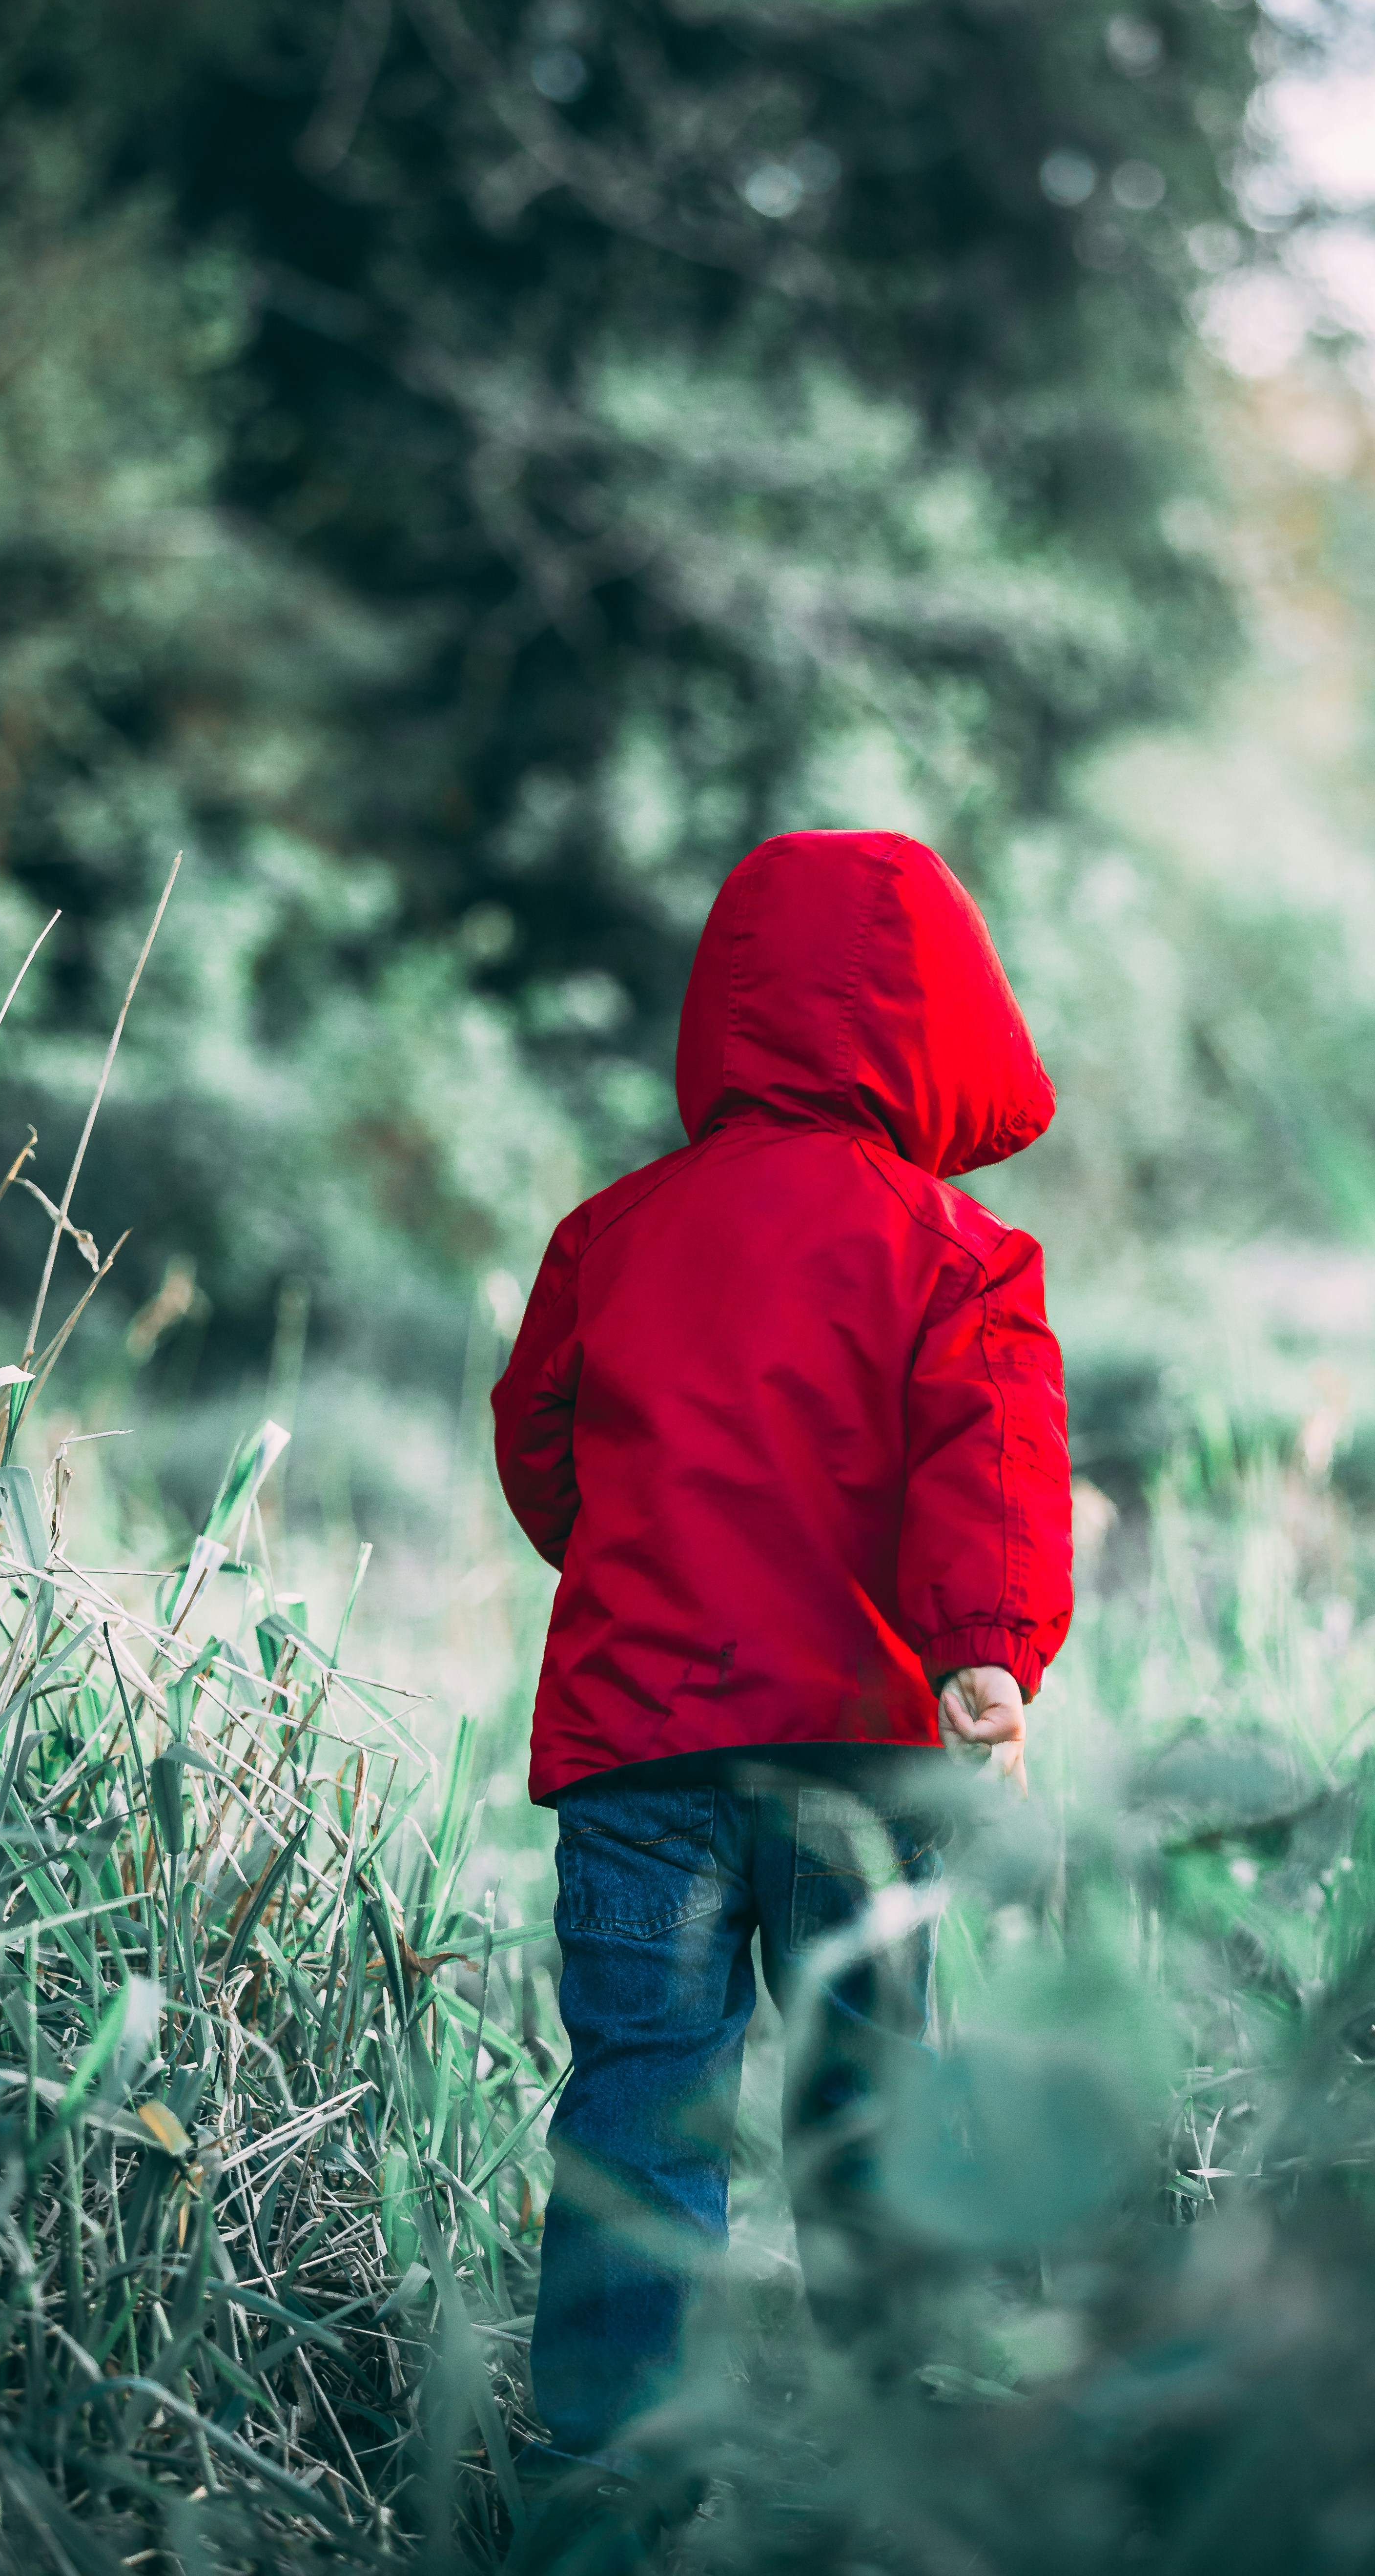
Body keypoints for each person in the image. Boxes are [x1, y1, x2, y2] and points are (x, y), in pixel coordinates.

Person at [491, 828, 1073, 2468]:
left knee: (642, 2103)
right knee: (870, 2090)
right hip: (862, 1751)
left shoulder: (612, 1234)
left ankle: (608, 2466)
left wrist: (631, 1564)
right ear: (946, 1024)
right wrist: (983, 1656)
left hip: (641, 1750)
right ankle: (907, 2439)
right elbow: (994, 1466)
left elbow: (540, 1441)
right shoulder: (956, 1253)